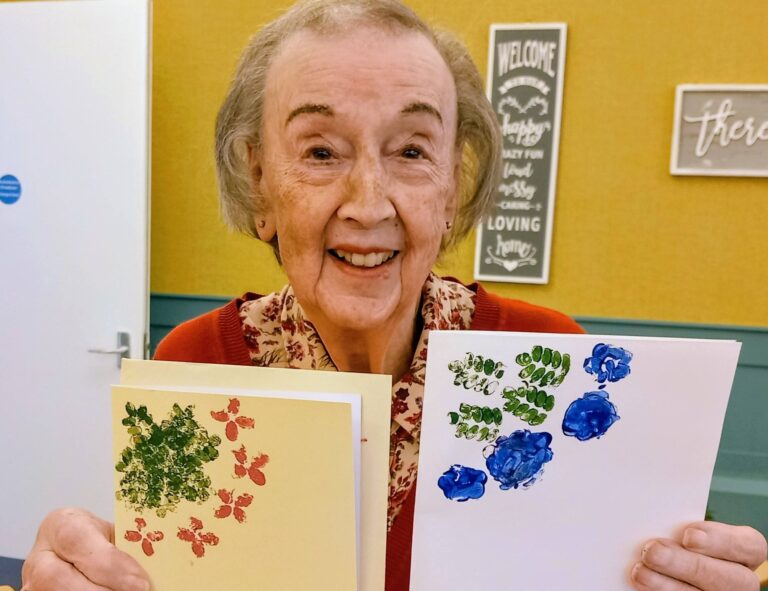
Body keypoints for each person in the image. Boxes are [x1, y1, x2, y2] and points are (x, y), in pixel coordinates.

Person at [21, 1, 766, 590]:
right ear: (259, 184)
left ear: (450, 189)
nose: (368, 203)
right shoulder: (196, 364)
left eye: (411, 150)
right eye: (320, 150)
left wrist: (703, 570)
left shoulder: (555, 363)